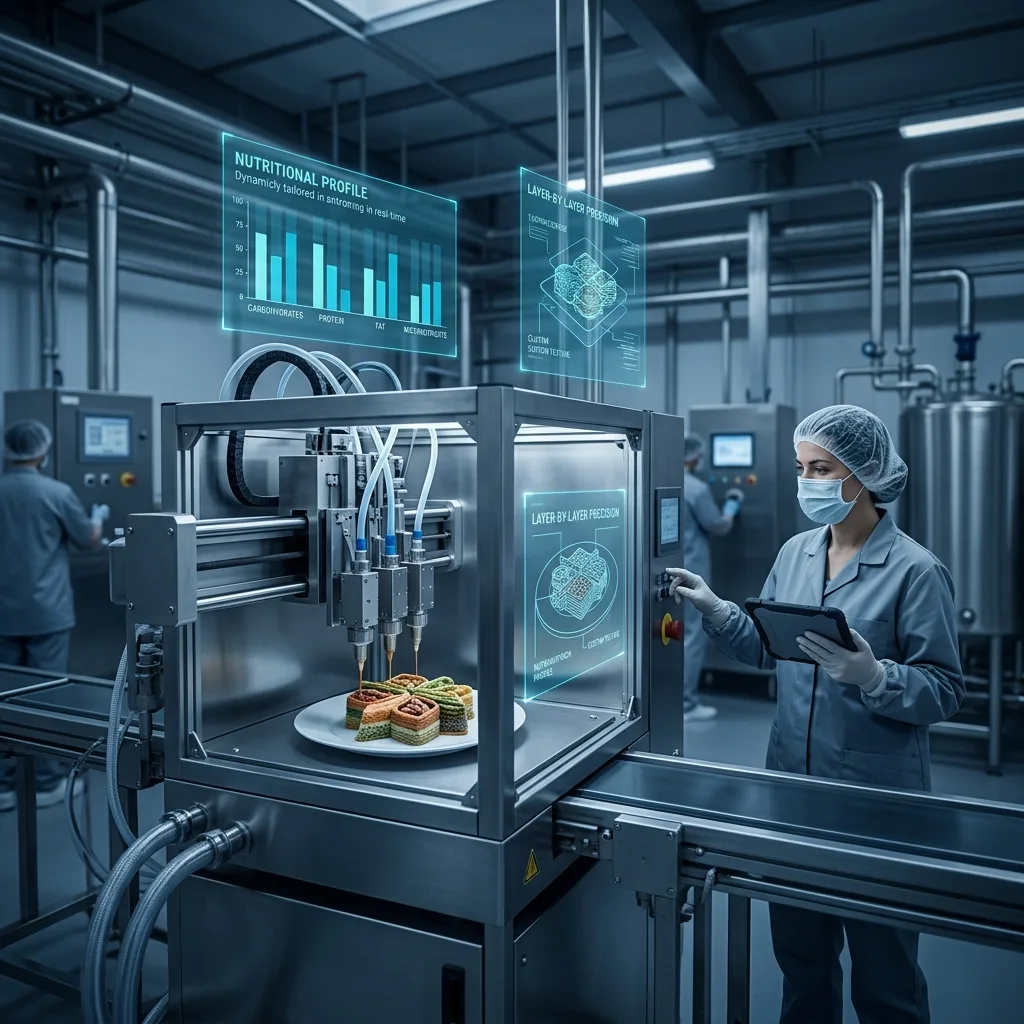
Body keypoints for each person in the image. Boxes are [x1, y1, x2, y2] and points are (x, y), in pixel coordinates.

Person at [668, 405, 963, 1024]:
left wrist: (878, 677)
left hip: (876, 803)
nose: (808, 482)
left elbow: (944, 689)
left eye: (821, 468)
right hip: (792, 794)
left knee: (886, 982)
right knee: (802, 967)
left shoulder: (915, 570)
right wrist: (718, 611)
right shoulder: (797, 552)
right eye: (801, 467)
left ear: (861, 475)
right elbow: (767, 649)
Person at [0, 419, 109, 811]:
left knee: (5, 695)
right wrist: (97, 517)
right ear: (42, 452)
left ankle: (4, 783)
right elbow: (88, 540)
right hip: (45, 611)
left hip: (3, 614)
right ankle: (46, 780)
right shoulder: (56, 492)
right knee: (45, 695)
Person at [681, 432, 742, 722]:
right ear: (694, 457)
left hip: (662, 570)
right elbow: (717, 526)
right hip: (691, 570)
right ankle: (687, 703)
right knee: (691, 634)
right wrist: (731, 507)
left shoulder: (654, 478)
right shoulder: (696, 489)